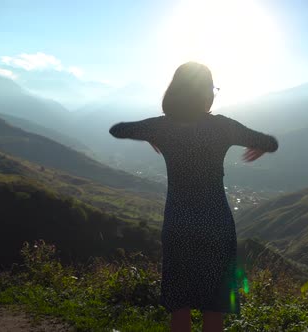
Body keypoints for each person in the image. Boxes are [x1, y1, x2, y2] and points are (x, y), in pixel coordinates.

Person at [109, 62, 278, 332]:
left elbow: (117, 129)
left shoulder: (162, 128)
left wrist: (150, 135)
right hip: (215, 224)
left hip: (179, 224)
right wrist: (261, 147)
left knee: (180, 306)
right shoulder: (222, 127)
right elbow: (270, 142)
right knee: (213, 308)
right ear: (206, 93)